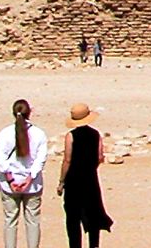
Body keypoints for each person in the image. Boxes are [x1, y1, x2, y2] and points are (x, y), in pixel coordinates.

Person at [57, 103, 113, 248]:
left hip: (74, 181)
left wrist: (61, 181)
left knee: (73, 218)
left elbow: (67, 160)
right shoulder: (96, 134)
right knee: (93, 215)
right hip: (91, 180)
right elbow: (100, 156)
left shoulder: (71, 136)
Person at [0, 98, 48, 248]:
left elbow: (1, 159)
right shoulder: (39, 134)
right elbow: (40, 159)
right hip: (32, 186)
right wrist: (29, 179)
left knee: (10, 220)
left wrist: (11, 180)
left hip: (9, 185)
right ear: (29, 113)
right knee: (33, 221)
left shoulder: (5, 133)